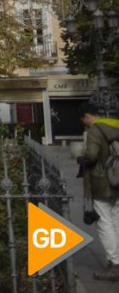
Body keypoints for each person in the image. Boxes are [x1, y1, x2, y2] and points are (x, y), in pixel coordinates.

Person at [77, 101, 119, 282]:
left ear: (87, 116)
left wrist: (82, 159)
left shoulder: (95, 130)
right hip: (117, 180)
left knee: (104, 223)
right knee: (117, 221)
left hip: (101, 183)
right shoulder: (114, 126)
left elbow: (92, 155)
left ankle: (115, 264)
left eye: (83, 119)